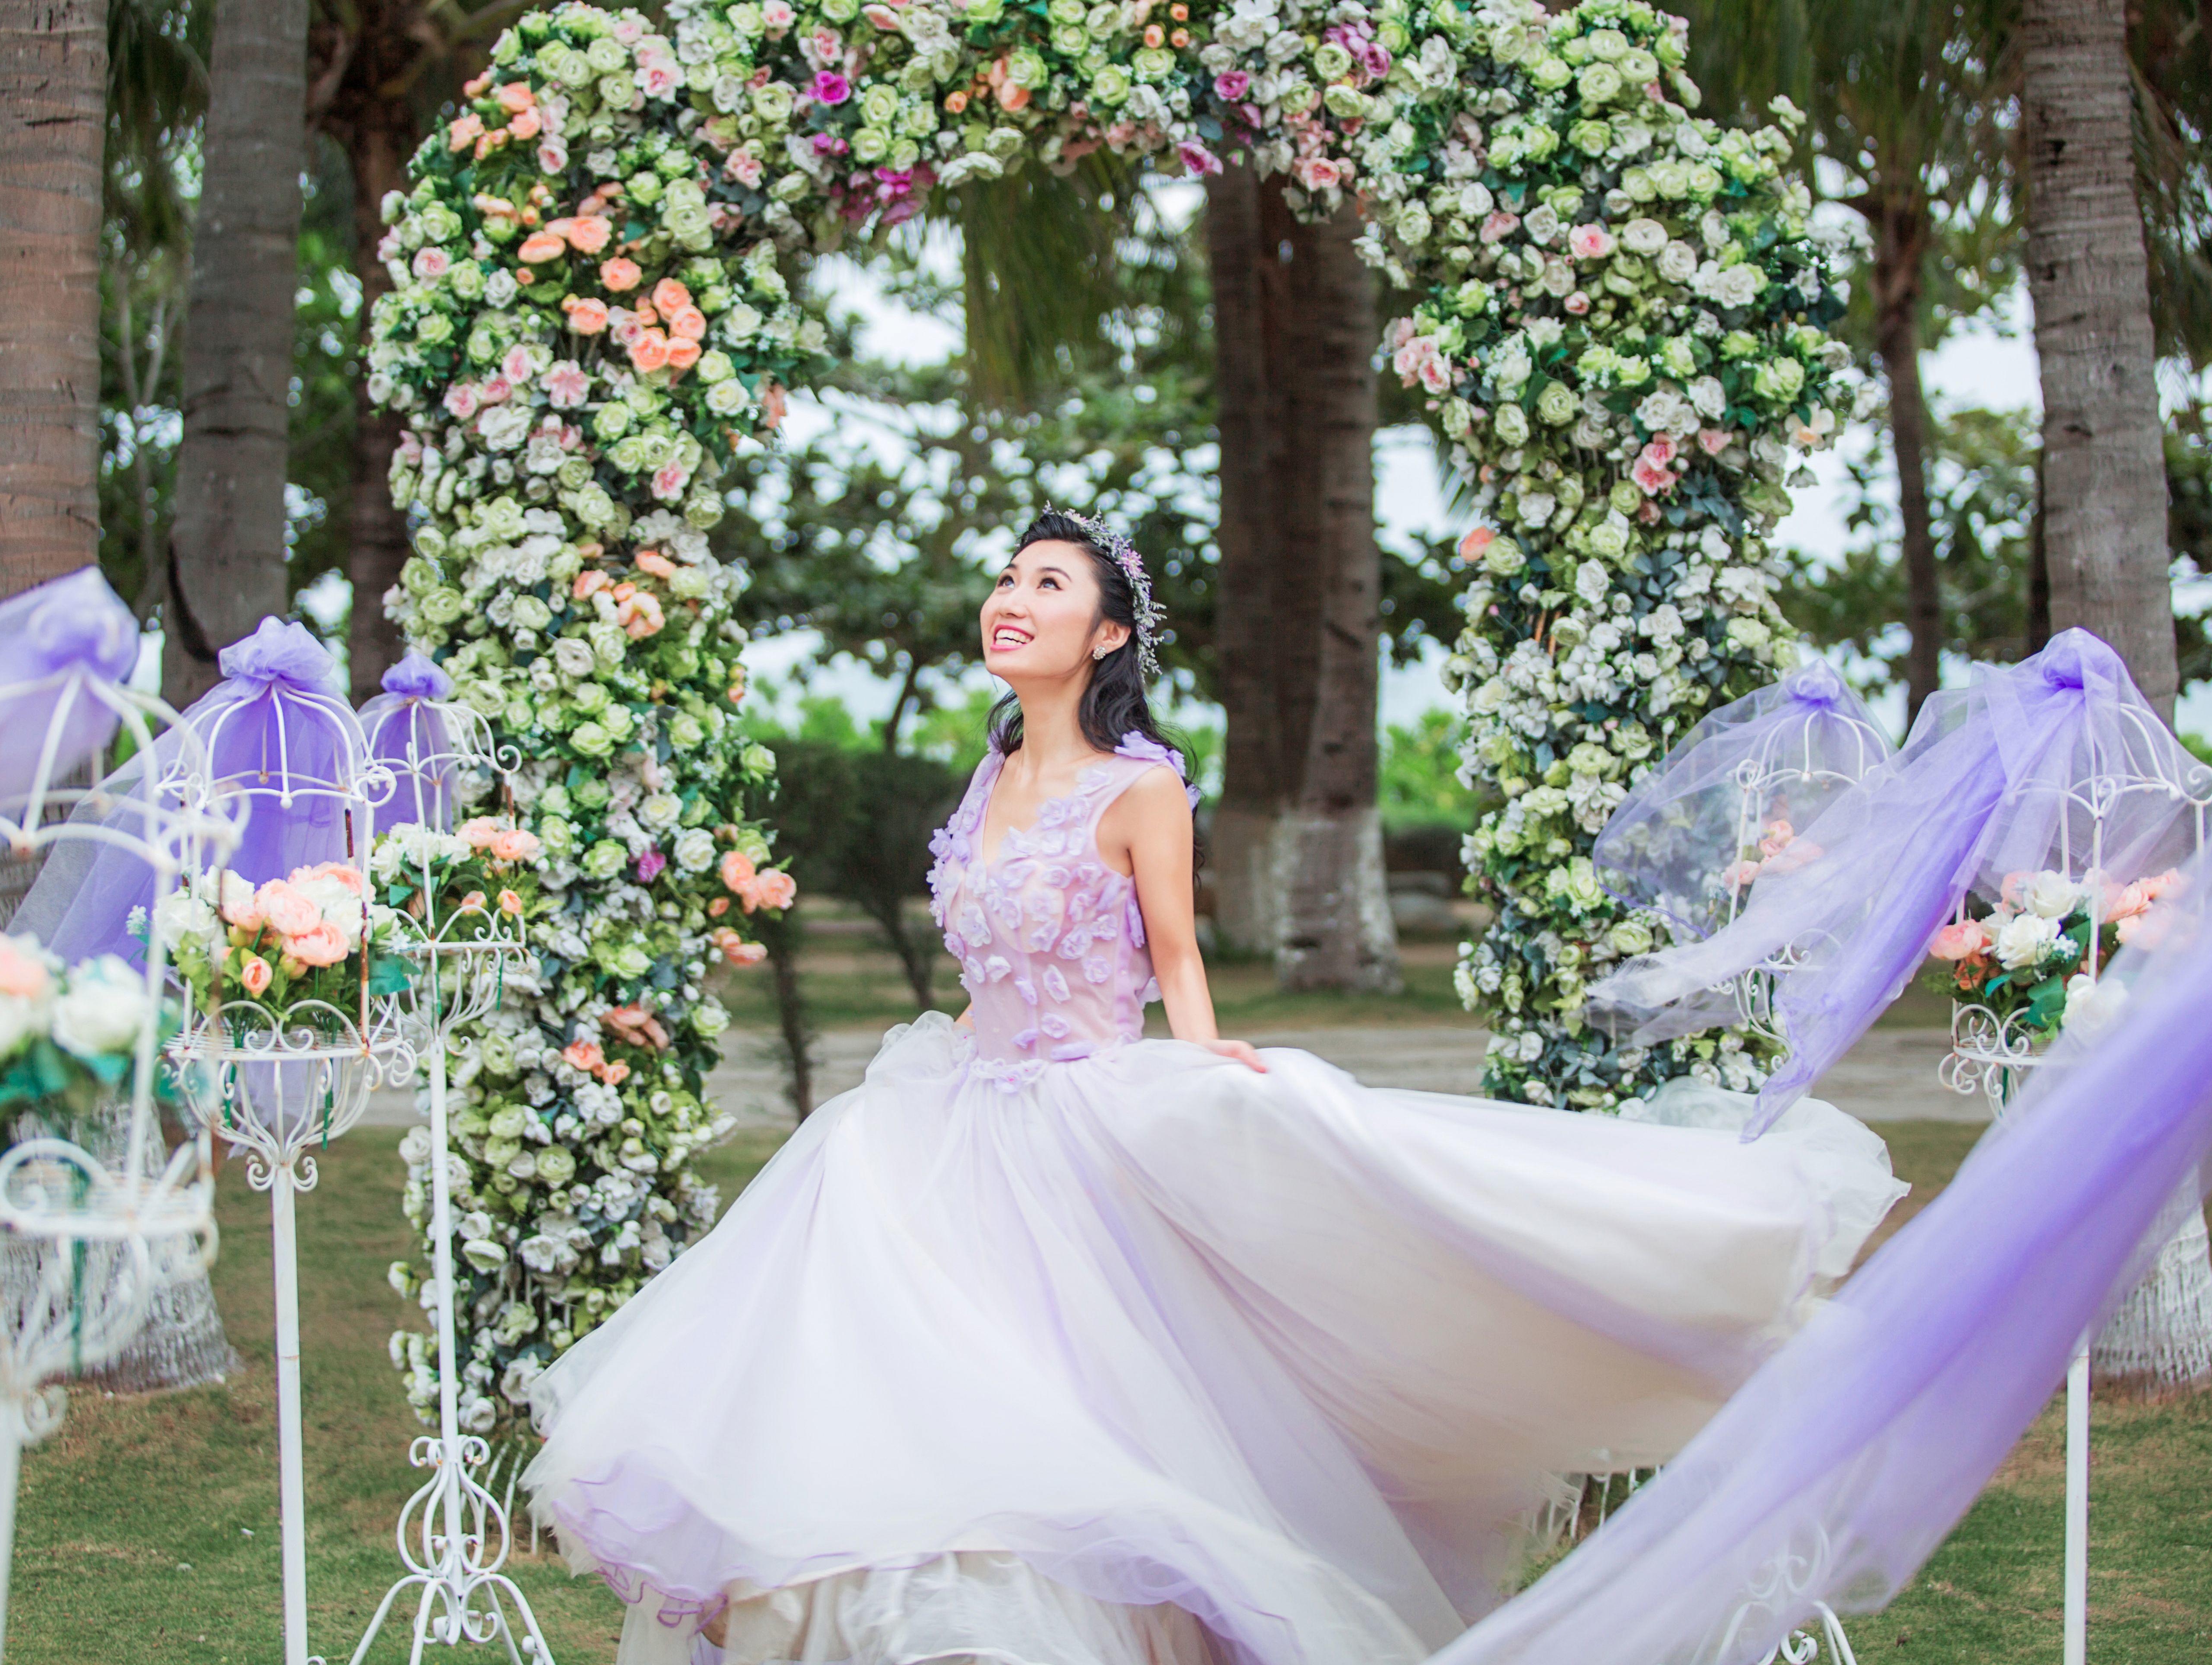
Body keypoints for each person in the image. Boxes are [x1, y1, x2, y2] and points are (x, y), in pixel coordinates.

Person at [525, 509, 1909, 1665]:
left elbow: (1175, 954)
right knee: (907, 1388)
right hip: (944, 1114)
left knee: (1095, 1408)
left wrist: (1202, 1067)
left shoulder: (1141, 787)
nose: (1012, 600)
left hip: (1082, 1108)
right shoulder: (990, 773)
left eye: (1047, 585)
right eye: (1008, 578)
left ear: (1104, 635)